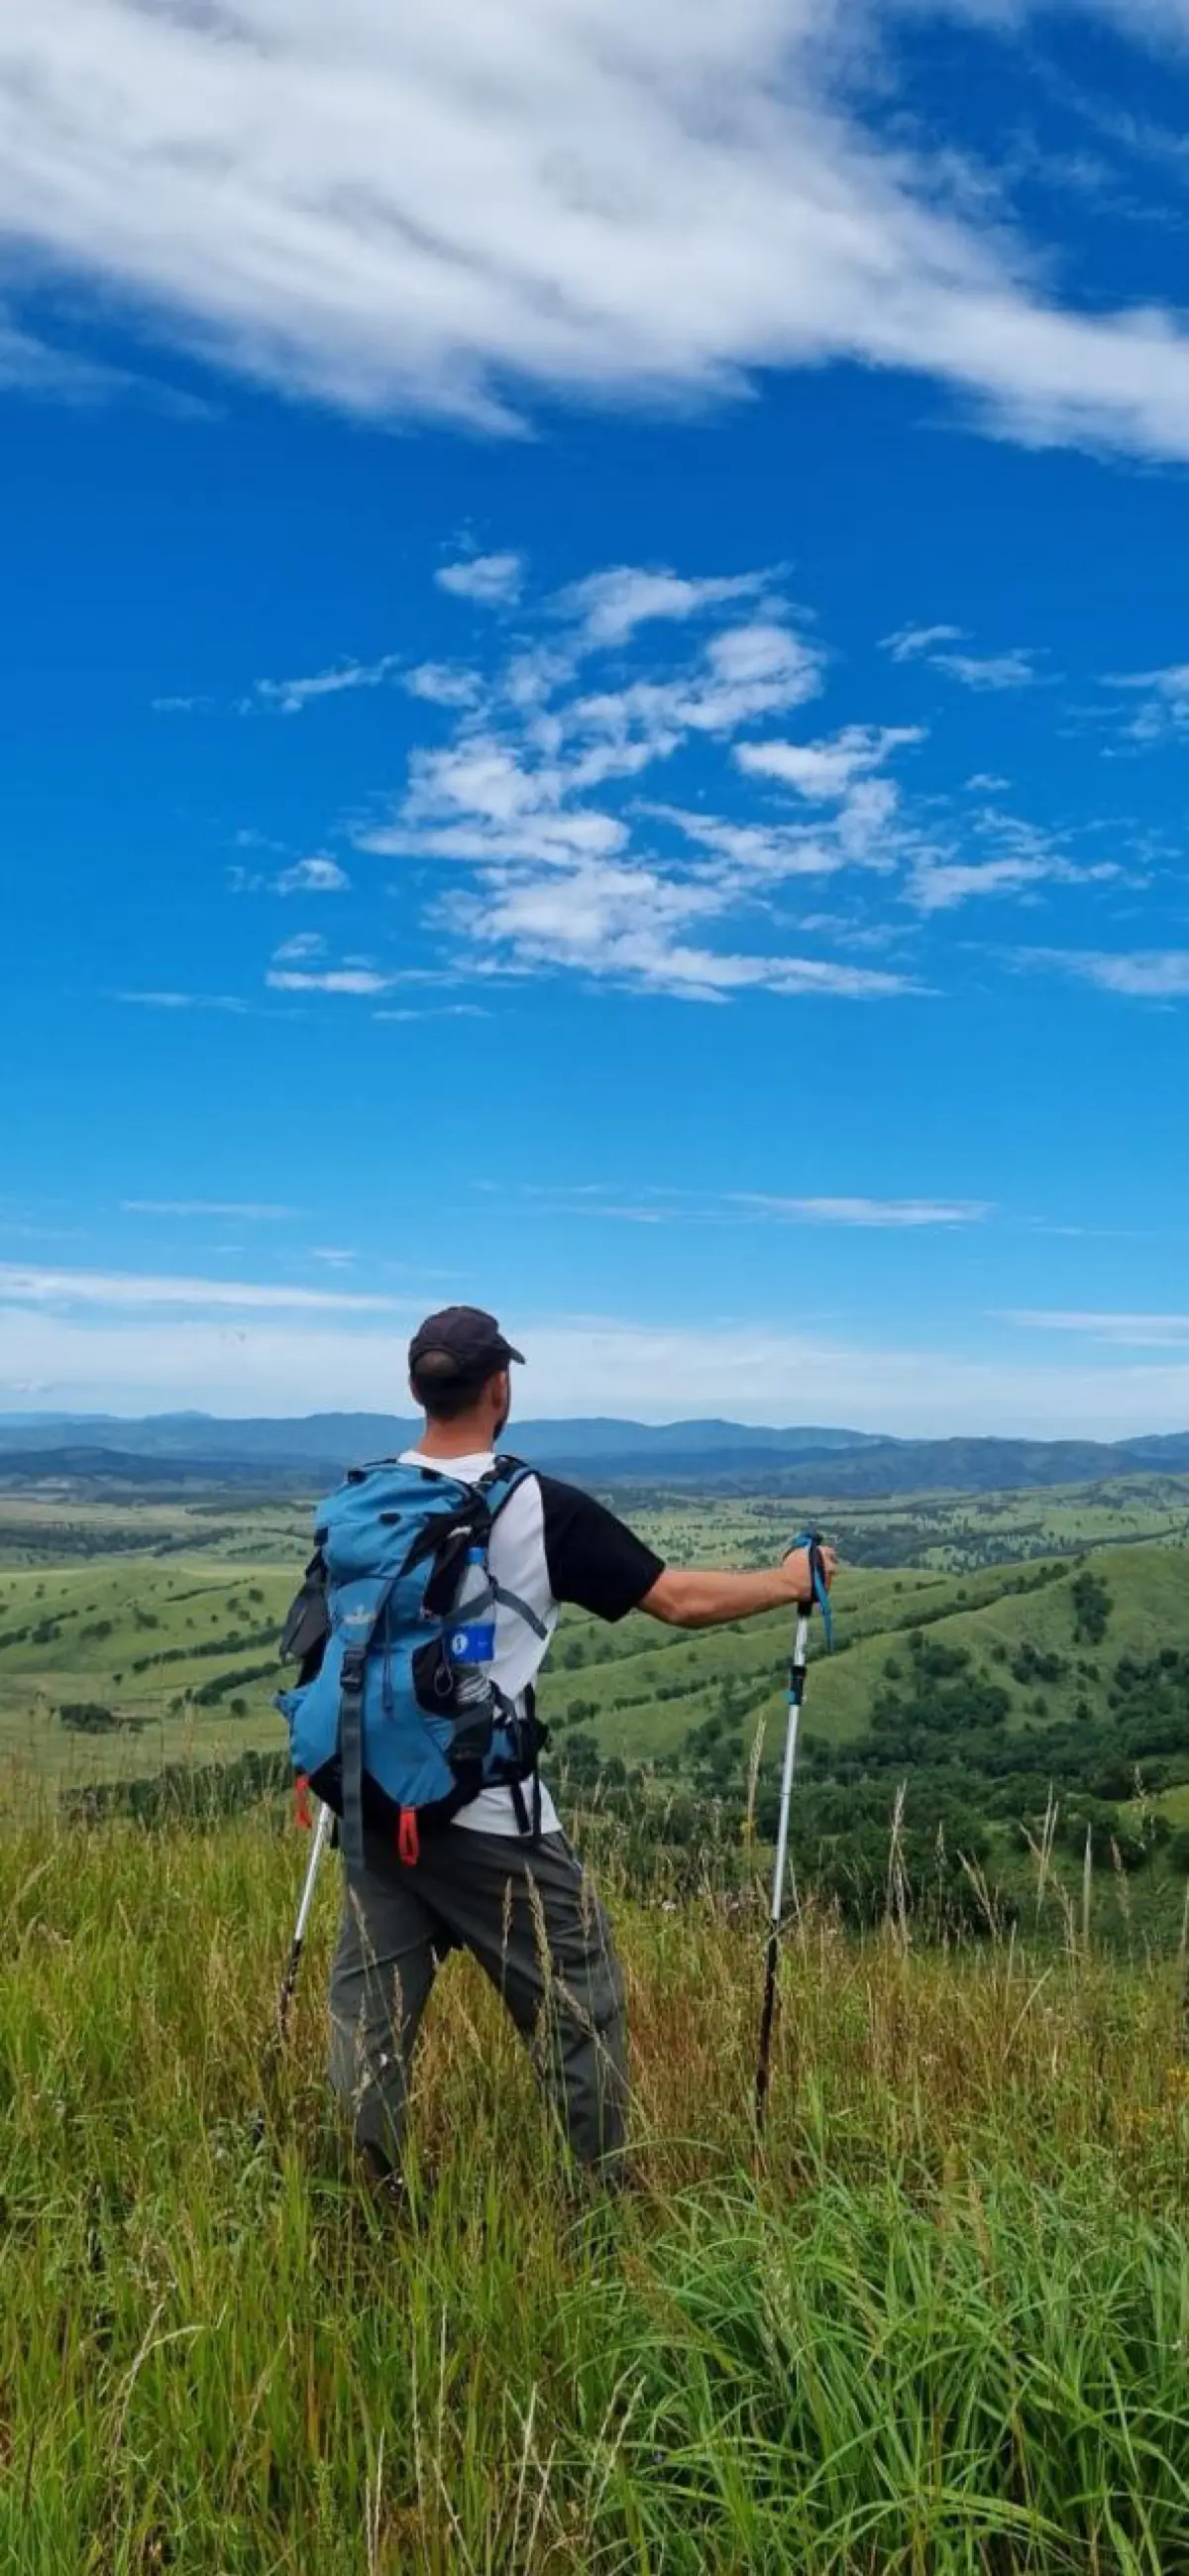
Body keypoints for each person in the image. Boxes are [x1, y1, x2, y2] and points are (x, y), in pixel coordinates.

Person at [328, 1303, 836, 2190]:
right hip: (493, 1821)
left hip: (374, 1806)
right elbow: (674, 1598)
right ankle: (601, 2210)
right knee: (580, 2005)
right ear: (500, 1386)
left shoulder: (361, 1496)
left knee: (369, 2025)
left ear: (417, 1388)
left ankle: (363, 2205)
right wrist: (786, 1581)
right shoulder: (534, 1506)